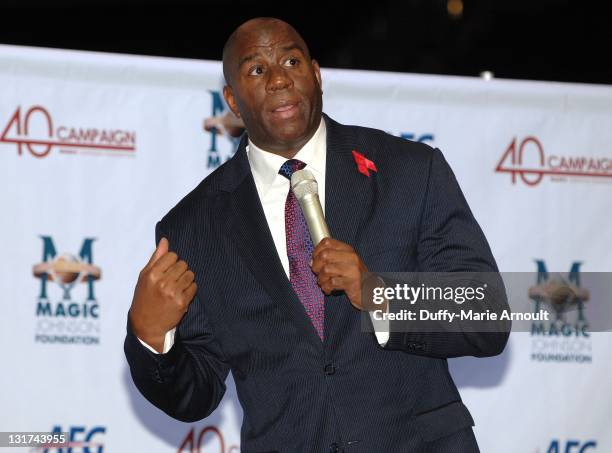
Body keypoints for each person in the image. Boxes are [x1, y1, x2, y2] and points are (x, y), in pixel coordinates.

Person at [125, 17, 509, 452]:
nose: (279, 79)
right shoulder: (193, 226)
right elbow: (195, 393)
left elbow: (486, 314)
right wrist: (151, 338)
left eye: (291, 60)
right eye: (256, 70)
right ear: (232, 100)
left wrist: (379, 294)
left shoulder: (410, 171)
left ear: (316, 73)